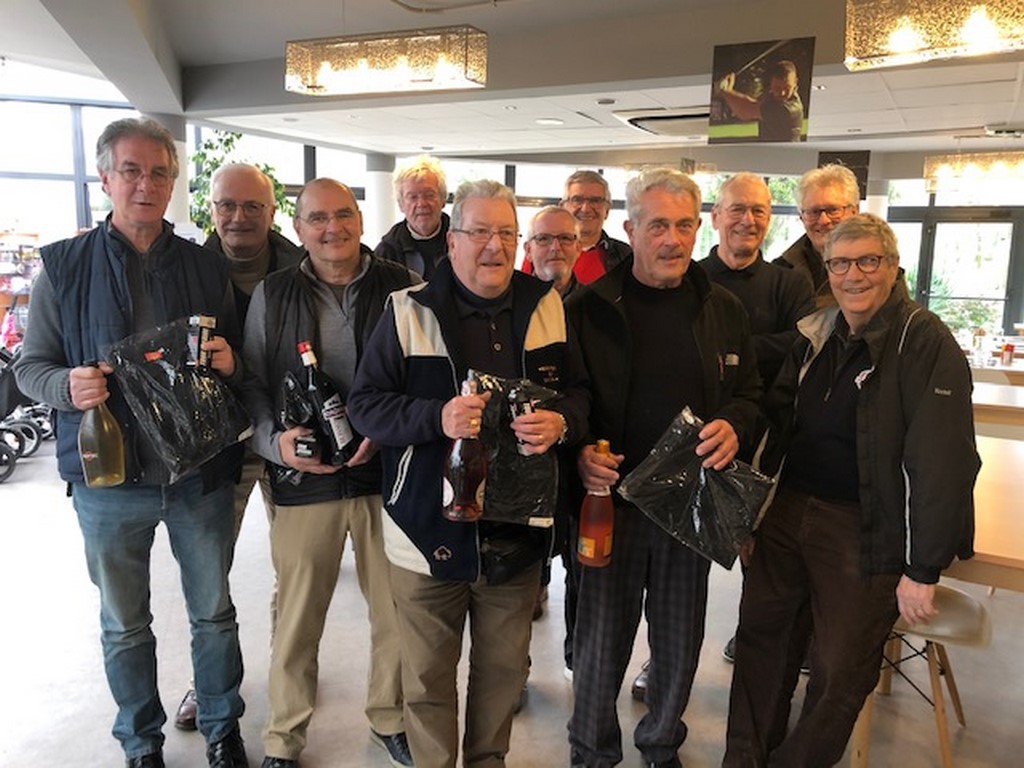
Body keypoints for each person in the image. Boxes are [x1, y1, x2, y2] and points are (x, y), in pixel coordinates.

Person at [14, 117, 247, 768]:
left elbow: (240, 359)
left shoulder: (206, 266)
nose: (146, 184)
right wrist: (67, 387)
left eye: (160, 172)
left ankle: (222, 729)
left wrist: (230, 361)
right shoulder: (63, 268)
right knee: (124, 625)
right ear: (105, 179)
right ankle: (141, 744)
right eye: (132, 171)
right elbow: (30, 367)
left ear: (173, 182)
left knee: (214, 614)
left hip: (199, 475)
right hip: (108, 477)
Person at [348, 179, 590, 768]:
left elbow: (581, 394)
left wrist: (562, 421)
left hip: (517, 530)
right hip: (424, 530)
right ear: (452, 241)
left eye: (505, 232)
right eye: (479, 231)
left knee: (502, 675)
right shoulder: (408, 310)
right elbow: (366, 405)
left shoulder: (546, 305)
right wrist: (437, 417)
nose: (494, 246)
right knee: (427, 680)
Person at [722, 213, 979, 767]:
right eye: (840, 263)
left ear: (893, 267)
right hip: (786, 514)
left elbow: (944, 460)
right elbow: (775, 427)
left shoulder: (924, 341)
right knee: (761, 646)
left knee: (839, 671)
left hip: (864, 528)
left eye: (867, 261)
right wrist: (748, 515)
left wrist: (923, 568)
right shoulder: (817, 334)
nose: (853, 275)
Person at [567, 168, 762, 768]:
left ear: (698, 227)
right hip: (612, 504)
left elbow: (750, 394)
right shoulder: (589, 309)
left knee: (679, 641)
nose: (672, 239)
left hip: (690, 507)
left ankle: (660, 745)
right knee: (600, 641)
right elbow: (568, 398)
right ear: (630, 230)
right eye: (657, 226)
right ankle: (592, 752)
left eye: (683, 225)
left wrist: (735, 422)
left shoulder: (722, 308)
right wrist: (579, 451)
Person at [241, 178, 418, 768]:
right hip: (302, 481)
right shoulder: (273, 293)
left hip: (386, 476)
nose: (332, 228)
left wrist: (390, 428)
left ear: (360, 220)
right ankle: (283, 738)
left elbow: (424, 376)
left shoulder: (403, 286)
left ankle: (390, 718)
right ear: (297, 228)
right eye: (317, 218)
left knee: (395, 612)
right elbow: (253, 382)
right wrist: (274, 443)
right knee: (297, 620)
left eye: (343, 215)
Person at [173, 161, 304, 733]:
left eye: (253, 206)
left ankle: (287, 671)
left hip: (288, 435)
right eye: (227, 205)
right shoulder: (186, 269)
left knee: (295, 564)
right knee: (210, 568)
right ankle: (207, 682)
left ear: (272, 212)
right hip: (217, 442)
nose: (239, 216)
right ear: (212, 209)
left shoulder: (303, 268)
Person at [520, 206, 583, 669]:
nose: (554, 248)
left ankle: (577, 660)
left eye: (564, 239)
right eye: (544, 239)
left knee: (583, 573)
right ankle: (516, 670)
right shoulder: (512, 305)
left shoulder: (596, 308)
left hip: (580, 460)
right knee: (522, 576)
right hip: (525, 465)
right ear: (528, 247)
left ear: (579, 247)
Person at [703, 173, 814, 388]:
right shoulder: (690, 279)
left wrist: (725, 349)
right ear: (715, 217)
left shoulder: (791, 284)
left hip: (770, 405)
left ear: (768, 220)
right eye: (737, 209)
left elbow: (803, 342)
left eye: (758, 211)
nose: (748, 220)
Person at [523, 171, 632, 285]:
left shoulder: (625, 256)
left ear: (607, 210)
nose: (585, 209)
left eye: (595, 201)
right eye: (577, 200)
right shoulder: (539, 252)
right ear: (563, 207)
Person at [773, 164, 860, 306]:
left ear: (855, 211)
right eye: (814, 212)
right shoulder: (780, 273)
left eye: (833, 210)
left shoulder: (878, 268)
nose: (823, 220)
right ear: (802, 217)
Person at [374, 155, 449, 280]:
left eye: (429, 195)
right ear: (401, 204)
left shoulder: (463, 241)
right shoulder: (386, 252)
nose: (421, 204)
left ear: (443, 199)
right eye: (413, 197)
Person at [717, 60, 804, 142]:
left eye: (787, 88)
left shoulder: (787, 109)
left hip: (783, 152)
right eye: (777, 88)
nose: (782, 93)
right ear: (771, 83)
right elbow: (753, 103)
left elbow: (745, 109)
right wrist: (729, 89)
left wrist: (723, 91)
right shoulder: (772, 98)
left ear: (795, 83)